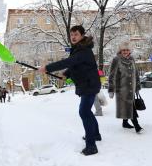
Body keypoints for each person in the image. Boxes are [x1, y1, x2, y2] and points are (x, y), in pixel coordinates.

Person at [38, 25, 101, 156]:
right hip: (87, 84)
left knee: (84, 112)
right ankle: (95, 135)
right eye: (71, 34)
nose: (73, 37)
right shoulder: (78, 49)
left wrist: (48, 67)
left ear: (82, 35)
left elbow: (69, 62)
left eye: (76, 34)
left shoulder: (83, 50)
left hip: (89, 85)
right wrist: (66, 74)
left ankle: (91, 146)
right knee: (86, 111)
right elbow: (75, 65)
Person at [108, 42, 143, 133]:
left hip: (132, 87)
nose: (125, 51)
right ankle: (137, 126)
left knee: (127, 106)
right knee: (129, 107)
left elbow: (136, 73)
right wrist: (111, 89)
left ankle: (125, 122)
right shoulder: (116, 60)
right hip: (121, 88)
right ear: (120, 50)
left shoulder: (132, 59)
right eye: (123, 50)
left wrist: (137, 86)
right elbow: (112, 75)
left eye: (127, 50)